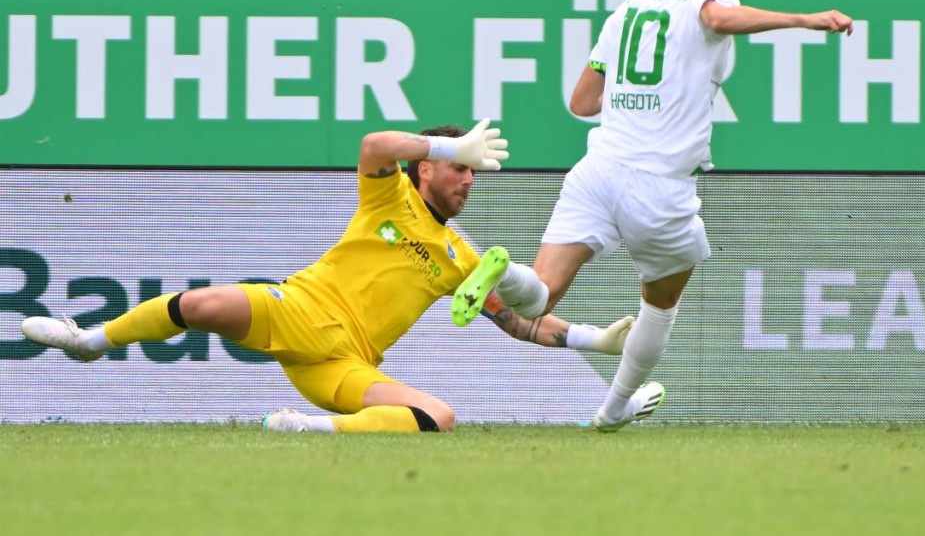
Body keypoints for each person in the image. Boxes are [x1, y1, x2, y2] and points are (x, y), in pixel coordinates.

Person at [452, 0, 854, 432]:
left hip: (596, 171)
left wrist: (642, 90)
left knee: (539, 295)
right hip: (658, 186)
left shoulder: (628, 10)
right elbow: (718, 18)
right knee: (660, 305)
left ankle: (503, 271)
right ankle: (614, 407)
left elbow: (581, 102)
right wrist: (805, 20)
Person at [21, 120, 633, 434]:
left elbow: (517, 321)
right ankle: (90, 342)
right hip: (298, 308)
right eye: (459, 171)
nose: (468, 181)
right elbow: (373, 144)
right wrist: (447, 145)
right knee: (201, 305)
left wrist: (591, 338)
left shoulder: (463, 259)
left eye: (472, 174)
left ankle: (306, 429)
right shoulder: (389, 196)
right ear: (427, 170)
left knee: (438, 419)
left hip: (343, 365)